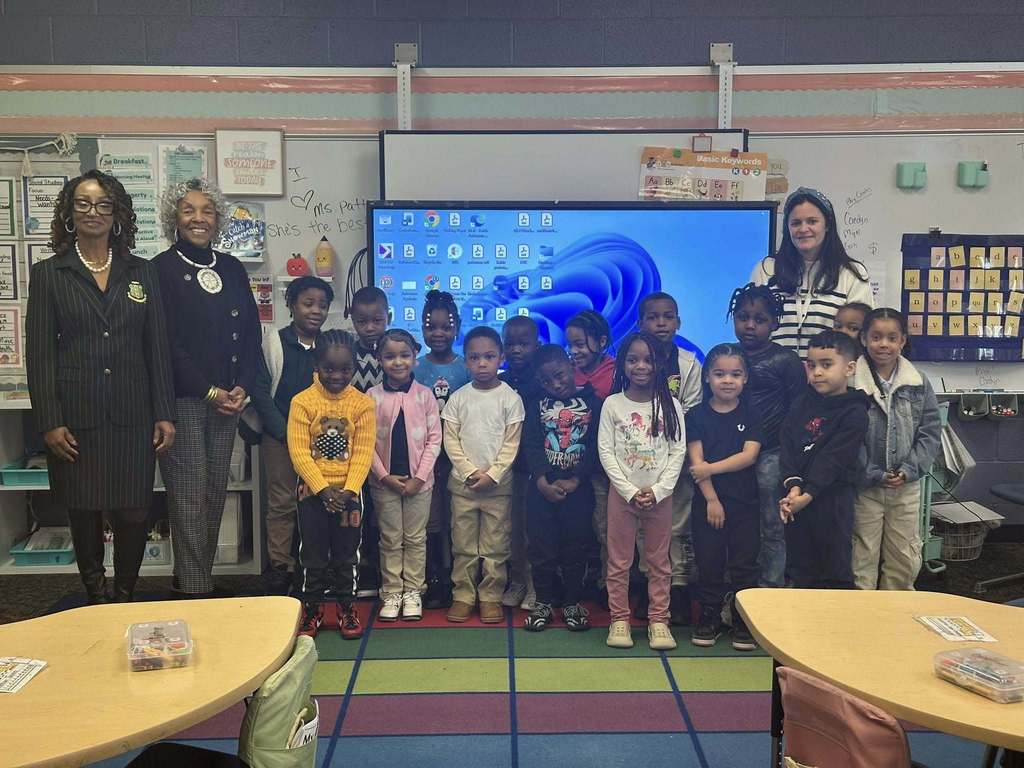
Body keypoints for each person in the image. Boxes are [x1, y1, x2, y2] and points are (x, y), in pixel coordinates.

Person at [26, 170, 176, 604]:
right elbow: (39, 355)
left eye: (104, 204)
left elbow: (157, 348)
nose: (94, 212)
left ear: (118, 215)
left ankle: (124, 593)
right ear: (70, 213)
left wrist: (163, 411)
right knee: (84, 510)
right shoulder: (51, 273)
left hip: (133, 413)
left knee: (133, 510)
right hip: (77, 416)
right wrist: (50, 422)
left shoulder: (141, 272)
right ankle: (95, 592)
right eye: (84, 203)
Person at [154, 178, 261, 598]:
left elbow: (251, 334)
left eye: (207, 211)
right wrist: (209, 391)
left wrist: (241, 389)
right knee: (188, 496)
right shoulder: (160, 269)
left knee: (216, 491)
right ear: (173, 219)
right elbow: (168, 343)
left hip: (229, 403)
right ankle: (196, 590)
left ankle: (194, 579)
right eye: (188, 210)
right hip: (186, 401)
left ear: (217, 220)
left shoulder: (232, 268)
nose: (198, 218)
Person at [599, 331, 686, 652]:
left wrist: (660, 490)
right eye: (633, 359)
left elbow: (678, 451)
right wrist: (629, 490)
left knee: (659, 561)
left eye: (648, 360)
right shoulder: (612, 405)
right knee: (619, 561)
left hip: (659, 498)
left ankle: (659, 621)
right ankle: (619, 619)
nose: (641, 366)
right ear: (622, 363)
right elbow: (606, 452)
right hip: (622, 496)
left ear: (659, 364)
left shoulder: (671, 405)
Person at [248, 276, 333, 595]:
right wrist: (284, 432)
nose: (316, 311)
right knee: (282, 501)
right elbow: (259, 391)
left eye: (322, 306)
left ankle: (316, 567)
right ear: (291, 305)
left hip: (323, 440)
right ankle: (281, 568)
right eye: (308, 304)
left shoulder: (328, 346)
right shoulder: (274, 342)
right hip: (280, 435)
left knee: (318, 500)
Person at [288, 330, 375, 639]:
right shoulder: (302, 403)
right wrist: (323, 490)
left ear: (355, 366)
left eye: (345, 370)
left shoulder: (363, 405)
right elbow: (299, 452)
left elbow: (363, 454)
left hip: (349, 497)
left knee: (347, 555)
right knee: (312, 555)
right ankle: (311, 610)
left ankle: (347, 608)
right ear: (316, 364)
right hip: (312, 494)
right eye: (329, 369)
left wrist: (348, 491)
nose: (337, 376)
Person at [852, 308, 941, 591]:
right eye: (876, 337)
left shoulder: (918, 382)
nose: (884, 344)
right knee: (860, 556)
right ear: (864, 338)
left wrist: (909, 469)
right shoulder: (853, 381)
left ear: (903, 341)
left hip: (906, 486)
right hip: (865, 487)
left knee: (903, 557)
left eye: (892, 338)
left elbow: (929, 430)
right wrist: (872, 473)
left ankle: (896, 619)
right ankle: (860, 619)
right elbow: (847, 438)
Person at [441, 326, 525, 624]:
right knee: (463, 544)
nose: (482, 363)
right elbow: (450, 439)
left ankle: (490, 595)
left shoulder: (511, 399)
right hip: (463, 487)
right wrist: (468, 471)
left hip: (498, 488)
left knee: (495, 546)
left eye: (489, 356)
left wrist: (493, 474)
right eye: (474, 357)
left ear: (501, 358)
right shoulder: (459, 398)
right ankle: (463, 595)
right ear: (465, 361)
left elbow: (511, 442)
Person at [728, 283, 805, 588]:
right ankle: (731, 591)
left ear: (775, 323)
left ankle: (770, 591)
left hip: (772, 455)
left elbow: (798, 412)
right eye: (743, 317)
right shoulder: (725, 357)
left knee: (772, 526)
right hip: (729, 455)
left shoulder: (786, 361)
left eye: (759, 320)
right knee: (732, 524)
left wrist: (792, 461)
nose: (749, 325)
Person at [686, 344, 762, 651]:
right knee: (709, 561)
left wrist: (709, 468)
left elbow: (749, 456)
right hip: (708, 502)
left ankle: (743, 618)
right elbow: (695, 463)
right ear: (707, 378)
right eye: (719, 374)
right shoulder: (696, 415)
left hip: (745, 502)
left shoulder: (752, 412)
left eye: (735, 374)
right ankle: (709, 615)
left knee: (744, 563)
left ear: (745, 379)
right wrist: (712, 499)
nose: (727, 380)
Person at [779, 330, 870, 589]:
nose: (816, 372)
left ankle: (837, 627)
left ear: (849, 368)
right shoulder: (800, 403)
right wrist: (793, 487)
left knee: (835, 569)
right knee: (799, 568)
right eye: (811, 365)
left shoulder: (855, 411)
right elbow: (787, 445)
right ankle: (803, 627)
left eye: (826, 365)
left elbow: (834, 460)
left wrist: (807, 495)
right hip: (795, 500)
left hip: (832, 501)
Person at [520, 345, 601, 632]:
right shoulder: (535, 405)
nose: (556, 384)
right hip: (541, 490)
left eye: (559, 375)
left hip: (578, 489)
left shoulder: (593, 403)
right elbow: (530, 444)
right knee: (541, 548)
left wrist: (577, 478)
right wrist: (542, 480)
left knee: (576, 547)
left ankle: (571, 602)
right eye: (547, 381)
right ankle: (543, 601)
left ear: (570, 365)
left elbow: (594, 446)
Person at [368, 329, 442, 621]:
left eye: (404, 355)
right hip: (384, 483)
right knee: (390, 538)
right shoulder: (371, 397)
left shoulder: (425, 396)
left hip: (419, 484)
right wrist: (384, 476)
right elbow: (365, 442)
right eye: (389, 356)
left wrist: (419, 478)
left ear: (415, 356)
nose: (397, 362)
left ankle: (413, 590)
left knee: (414, 538)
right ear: (379, 359)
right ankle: (391, 591)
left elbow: (435, 440)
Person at [751, 187, 873, 359]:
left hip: (830, 381)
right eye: (796, 223)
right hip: (775, 379)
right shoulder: (767, 269)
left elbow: (862, 336)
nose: (803, 229)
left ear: (827, 225)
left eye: (812, 221)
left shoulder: (852, 274)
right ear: (787, 228)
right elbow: (753, 328)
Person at [638, 292, 701, 625]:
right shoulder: (629, 360)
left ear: (678, 322)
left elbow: (692, 410)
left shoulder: (689, 364)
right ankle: (645, 586)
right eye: (652, 317)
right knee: (641, 526)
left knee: (675, 527)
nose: (660, 323)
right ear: (640, 323)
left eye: (667, 316)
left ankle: (676, 590)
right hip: (637, 460)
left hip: (676, 460)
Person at [415, 290, 470, 608]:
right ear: (422, 329)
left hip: (459, 457)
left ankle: (459, 575)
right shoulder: (415, 368)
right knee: (432, 519)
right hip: (426, 460)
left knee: (458, 517)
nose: (438, 333)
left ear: (457, 327)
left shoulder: (465, 369)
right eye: (430, 326)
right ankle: (435, 575)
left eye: (446, 326)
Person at [565, 309, 615, 603]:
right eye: (570, 345)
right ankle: (584, 577)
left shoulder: (617, 372)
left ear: (602, 341)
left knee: (608, 526)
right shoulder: (566, 373)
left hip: (607, 466)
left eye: (581, 344)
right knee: (585, 526)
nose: (574, 351)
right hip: (573, 464)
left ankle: (612, 583)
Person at [346, 285, 389, 595]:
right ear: (353, 321)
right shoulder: (347, 355)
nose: (370, 328)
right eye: (363, 322)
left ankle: (382, 570)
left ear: (388, 317)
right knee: (359, 509)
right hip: (355, 447)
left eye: (376, 320)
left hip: (389, 447)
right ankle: (359, 570)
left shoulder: (396, 352)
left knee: (383, 511)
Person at [499, 315, 541, 611]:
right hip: (503, 467)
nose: (516, 350)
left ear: (536, 346)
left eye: (523, 344)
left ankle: (533, 583)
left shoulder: (542, 382)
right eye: (510, 344)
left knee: (532, 529)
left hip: (533, 468)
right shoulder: (498, 383)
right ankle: (515, 580)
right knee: (510, 529)